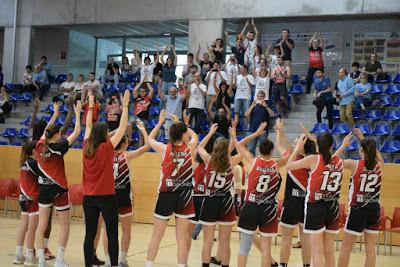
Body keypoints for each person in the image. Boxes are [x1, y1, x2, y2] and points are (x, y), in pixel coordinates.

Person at [286, 132, 353, 267]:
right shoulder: (339, 161)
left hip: (315, 207)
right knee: (329, 251)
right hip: (333, 207)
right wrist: (343, 146)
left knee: (317, 251)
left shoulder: (312, 159)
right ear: (332, 146)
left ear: (318, 146)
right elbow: (331, 158)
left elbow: (288, 166)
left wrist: (297, 148)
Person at [82, 90, 130, 267]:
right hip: (107, 197)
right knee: (112, 234)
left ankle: (88, 264)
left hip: (89, 198)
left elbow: (88, 126)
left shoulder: (86, 146)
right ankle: (114, 265)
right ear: (104, 135)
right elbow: (123, 127)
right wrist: (125, 105)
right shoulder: (107, 147)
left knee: (90, 234)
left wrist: (91, 104)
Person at [145, 110, 198, 267]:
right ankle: (182, 265)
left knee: (156, 235)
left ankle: (149, 264)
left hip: (166, 195)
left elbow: (149, 139)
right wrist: (183, 124)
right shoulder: (190, 148)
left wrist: (161, 122)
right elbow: (194, 136)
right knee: (182, 237)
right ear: (183, 134)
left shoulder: (164, 148)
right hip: (185, 196)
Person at [233, 120, 289, 267]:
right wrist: (279, 131)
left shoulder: (252, 162)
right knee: (266, 249)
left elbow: (239, 146)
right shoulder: (276, 165)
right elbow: (290, 155)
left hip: (251, 206)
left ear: (259, 150)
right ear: (271, 152)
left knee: (244, 248)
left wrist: (254, 133)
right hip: (268, 209)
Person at [34, 100, 82, 267]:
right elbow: (77, 131)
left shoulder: (40, 145)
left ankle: (40, 260)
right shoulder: (59, 147)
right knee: (64, 226)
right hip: (59, 189)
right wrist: (77, 112)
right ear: (55, 136)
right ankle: (60, 260)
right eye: (59, 133)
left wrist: (55, 114)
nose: (61, 135)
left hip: (43, 189)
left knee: (41, 225)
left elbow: (47, 130)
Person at [102, 120, 150, 267]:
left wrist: (116, 130)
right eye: (127, 141)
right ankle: (122, 260)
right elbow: (148, 146)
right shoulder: (127, 156)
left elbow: (101, 139)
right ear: (123, 144)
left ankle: (108, 260)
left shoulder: (105, 155)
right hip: (124, 199)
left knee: (107, 230)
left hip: (109, 197)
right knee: (126, 230)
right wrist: (143, 129)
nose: (128, 142)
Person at [337, 128, 384, 267]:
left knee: (346, 248)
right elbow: (376, 155)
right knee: (370, 249)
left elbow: (332, 161)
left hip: (358, 210)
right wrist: (363, 139)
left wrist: (343, 145)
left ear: (361, 151)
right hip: (374, 209)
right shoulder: (379, 165)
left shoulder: (354, 164)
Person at [197, 124, 242, 267]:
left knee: (207, 241)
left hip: (210, 201)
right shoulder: (231, 161)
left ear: (215, 147)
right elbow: (242, 153)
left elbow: (199, 147)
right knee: (225, 242)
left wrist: (210, 133)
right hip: (226, 203)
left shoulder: (208, 159)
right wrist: (234, 137)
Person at [279, 127, 316, 267]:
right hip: (306, 205)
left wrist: (297, 145)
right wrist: (280, 132)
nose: (295, 143)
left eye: (297, 142)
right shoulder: (314, 160)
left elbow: (287, 158)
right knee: (305, 240)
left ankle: (283, 265)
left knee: (286, 240)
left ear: (301, 148)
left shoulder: (294, 159)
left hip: (291, 204)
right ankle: (306, 265)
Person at [13, 141, 41, 266]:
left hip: (23, 197)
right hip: (32, 198)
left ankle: (18, 255)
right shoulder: (33, 163)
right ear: (34, 151)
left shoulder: (23, 162)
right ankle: (30, 256)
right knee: (32, 229)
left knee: (23, 226)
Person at [245, 91, 275, 155]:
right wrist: (252, 106)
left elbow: (272, 115)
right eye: (258, 96)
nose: (260, 98)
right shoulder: (253, 105)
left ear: (264, 97)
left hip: (263, 130)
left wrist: (266, 106)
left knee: (264, 148)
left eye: (261, 97)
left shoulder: (267, 105)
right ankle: (251, 162)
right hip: (252, 129)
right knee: (251, 148)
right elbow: (246, 114)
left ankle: (263, 161)